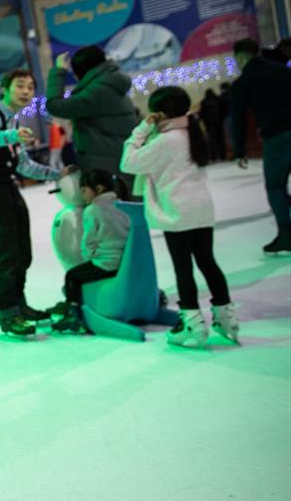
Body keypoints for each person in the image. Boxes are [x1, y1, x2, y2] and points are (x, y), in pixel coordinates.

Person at [121, 86, 239, 347]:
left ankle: (192, 323)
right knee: (208, 262)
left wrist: (140, 130)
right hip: (200, 207)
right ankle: (227, 317)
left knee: (183, 266)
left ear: (159, 113)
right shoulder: (191, 132)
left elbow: (128, 162)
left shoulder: (165, 140)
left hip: (177, 210)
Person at [0, 68, 65, 337]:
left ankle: (20, 305)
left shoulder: (14, 125)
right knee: (6, 253)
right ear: (4, 88)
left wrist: (58, 173)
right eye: (20, 85)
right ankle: (8, 312)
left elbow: (24, 165)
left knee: (23, 251)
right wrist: (14, 136)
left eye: (30, 87)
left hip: (8, 188)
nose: (26, 91)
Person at [228, 38, 291, 254]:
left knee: (275, 187)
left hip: (277, 138)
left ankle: (286, 235)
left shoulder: (243, 82)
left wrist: (239, 151)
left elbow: (238, 120)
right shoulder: (283, 70)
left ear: (240, 57)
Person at [45, 46, 140, 188]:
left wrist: (58, 72)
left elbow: (55, 106)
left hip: (107, 170)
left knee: (113, 208)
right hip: (119, 163)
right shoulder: (111, 84)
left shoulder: (98, 91)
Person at [50, 169, 131, 334]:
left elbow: (88, 243)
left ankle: (73, 315)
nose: (83, 195)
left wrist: (91, 259)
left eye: (84, 190)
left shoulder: (92, 210)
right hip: (127, 262)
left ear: (99, 189)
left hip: (106, 264)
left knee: (72, 276)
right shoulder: (123, 204)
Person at [199, 89, 228, 161]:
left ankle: (213, 156)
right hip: (219, 123)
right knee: (221, 139)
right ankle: (223, 156)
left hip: (209, 125)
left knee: (212, 141)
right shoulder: (218, 100)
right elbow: (223, 110)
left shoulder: (204, 102)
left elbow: (202, 114)